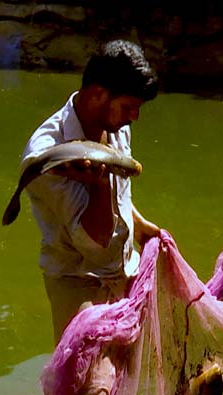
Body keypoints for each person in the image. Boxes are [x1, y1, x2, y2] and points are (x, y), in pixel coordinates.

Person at [21, 39, 160, 344]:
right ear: (98, 94)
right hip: (79, 281)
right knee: (88, 384)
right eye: (129, 107)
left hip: (126, 269)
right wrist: (97, 186)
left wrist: (138, 225)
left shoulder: (116, 125)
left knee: (130, 370)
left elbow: (119, 193)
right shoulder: (45, 155)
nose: (134, 116)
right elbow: (95, 243)